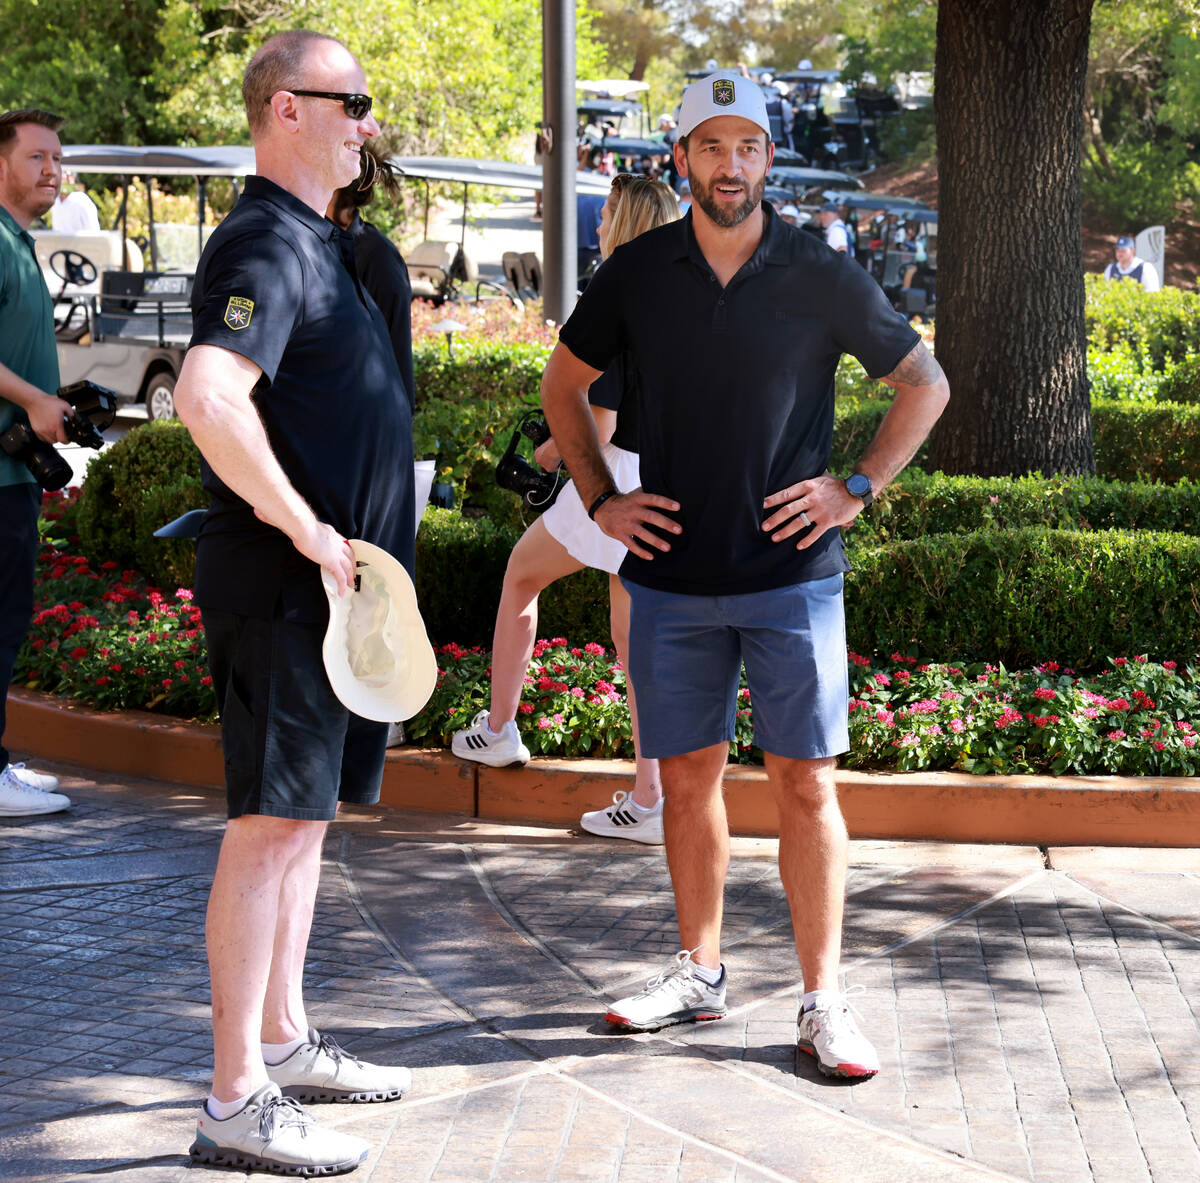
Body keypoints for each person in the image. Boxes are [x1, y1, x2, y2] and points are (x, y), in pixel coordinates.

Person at [540, 72, 949, 1079]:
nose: (731, 166)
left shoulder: (817, 270)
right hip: (671, 578)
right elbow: (562, 384)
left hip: (792, 577)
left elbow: (922, 382)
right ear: (680, 159)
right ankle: (700, 971)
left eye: (749, 148)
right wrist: (600, 502)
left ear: (770, 159)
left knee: (806, 786)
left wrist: (855, 485)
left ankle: (822, 1000)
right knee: (686, 781)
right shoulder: (637, 275)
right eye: (711, 147)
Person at [175, 31, 414, 1177]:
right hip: (284, 592)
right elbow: (208, 397)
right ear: (285, 110)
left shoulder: (326, 244)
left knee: (303, 828)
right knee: (267, 834)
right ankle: (233, 1098)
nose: (368, 121)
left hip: (327, 606)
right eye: (351, 101)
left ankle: (283, 1038)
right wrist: (308, 529)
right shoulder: (265, 238)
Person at [452, 175, 680, 846]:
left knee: (521, 577)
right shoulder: (681, 295)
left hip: (610, 481)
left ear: (626, 220)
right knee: (634, 642)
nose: (600, 220)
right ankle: (650, 796)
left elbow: (600, 419)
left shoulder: (619, 294)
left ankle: (499, 730)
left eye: (608, 210)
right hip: (657, 478)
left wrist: (547, 456)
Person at [0, 108, 74, 819]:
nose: (51, 169)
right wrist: (34, 401)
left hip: (15, 472)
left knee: (9, 619)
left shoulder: (18, 242)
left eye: (57, 158)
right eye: (35, 157)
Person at [326, 140, 413, 411]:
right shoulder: (318, 242)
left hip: (368, 418)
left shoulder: (377, 256)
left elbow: (396, 351)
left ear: (338, 186)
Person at [48, 169, 100, 234]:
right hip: (59, 243)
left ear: (72, 177)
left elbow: (94, 232)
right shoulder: (55, 200)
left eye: (63, 174)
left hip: (80, 243)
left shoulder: (82, 200)